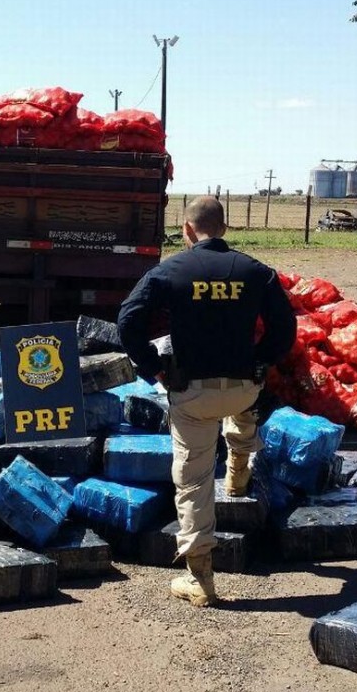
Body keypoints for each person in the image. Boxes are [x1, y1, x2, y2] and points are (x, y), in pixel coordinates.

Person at [117, 196, 296, 607]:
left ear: (186, 230)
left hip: (191, 393)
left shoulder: (170, 271)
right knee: (246, 406)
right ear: (225, 228)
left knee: (195, 478)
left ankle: (201, 579)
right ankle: (238, 472)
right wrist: (261, 360)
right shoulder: (256, 271)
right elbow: (285, 327)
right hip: (242, 386)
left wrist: (154, 368)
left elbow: (128, 320)